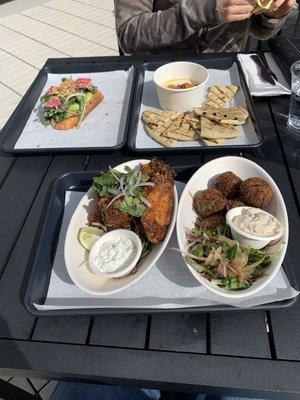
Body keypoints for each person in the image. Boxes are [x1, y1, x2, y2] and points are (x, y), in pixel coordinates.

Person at [115, 0, 296, 54]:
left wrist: (273, 15)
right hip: (161, 77)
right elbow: (128, 36)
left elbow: (260, 30)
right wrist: (205, 10)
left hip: (227, 80)